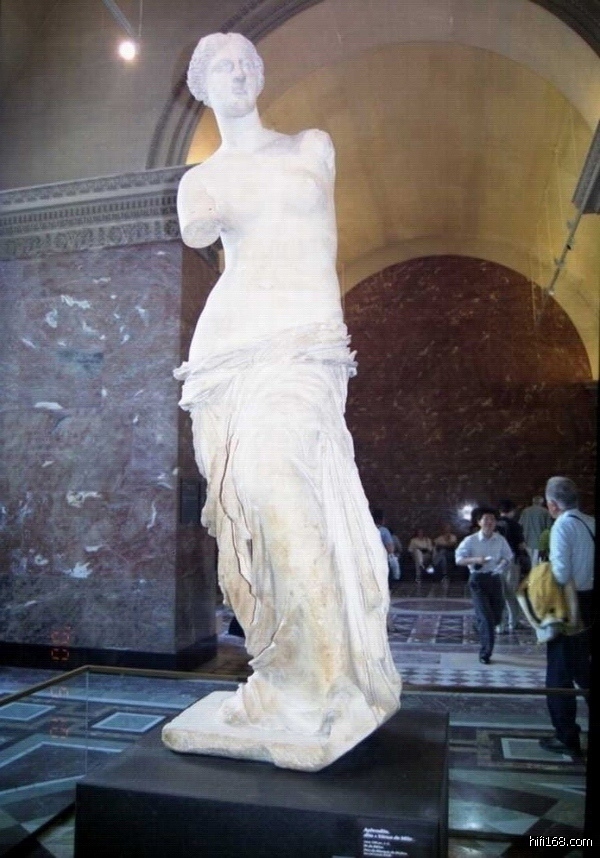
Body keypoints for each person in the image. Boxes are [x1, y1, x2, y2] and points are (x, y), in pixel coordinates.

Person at [170, 33, 401, 756]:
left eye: (247, 62)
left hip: (304, 346)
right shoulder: (199, 182)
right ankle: (292, 673)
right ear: (203, 87)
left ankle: (322, 681)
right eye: (222, 66)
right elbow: (198, 231)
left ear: (260, 76)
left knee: (279, 483)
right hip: (227, 352)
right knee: (251, 512)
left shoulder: (311, 147)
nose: (238, 72)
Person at [540, 476, 595, 757]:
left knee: (559, 673)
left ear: (552, 504)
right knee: (584, 669)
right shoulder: (591, 522)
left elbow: (561, 573)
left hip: (571, 604)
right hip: (591, 601)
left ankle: (566, 736)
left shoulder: (563, 525)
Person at [455, 507, 513, 664]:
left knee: (497, 615)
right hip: (478, 580)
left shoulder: (500, 539)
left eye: (492, 519)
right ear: (479, 522)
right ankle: (485, 653)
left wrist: (503, 562)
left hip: (495, 578)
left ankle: (478, 623)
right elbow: (458, 559)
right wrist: (476, 560)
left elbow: (508, 556)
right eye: (486, 519)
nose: (489, 522)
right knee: (487, 619)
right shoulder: (470, 540)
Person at [495, 499, 527, 633]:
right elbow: (521, 545)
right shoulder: (515, 525)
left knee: (498, 592)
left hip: (495, 561)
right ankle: (513, 622)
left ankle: (499, 625)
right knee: (511, 591)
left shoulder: (493, 523)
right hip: (510, 560)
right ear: (512, 511)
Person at [519, 495, 552, 566]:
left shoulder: (525, 511)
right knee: (536, 564)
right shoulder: (545, 512)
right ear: (542, 502)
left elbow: (520, 525)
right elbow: (549, 527)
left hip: (526, 540)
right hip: (539, 541)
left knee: (529, 563)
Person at [372, 509, 401, 583]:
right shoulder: (384, 531)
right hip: (381, 559)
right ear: (381, 519)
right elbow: (390, 549)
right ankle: (395, 579)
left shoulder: (365, 530)